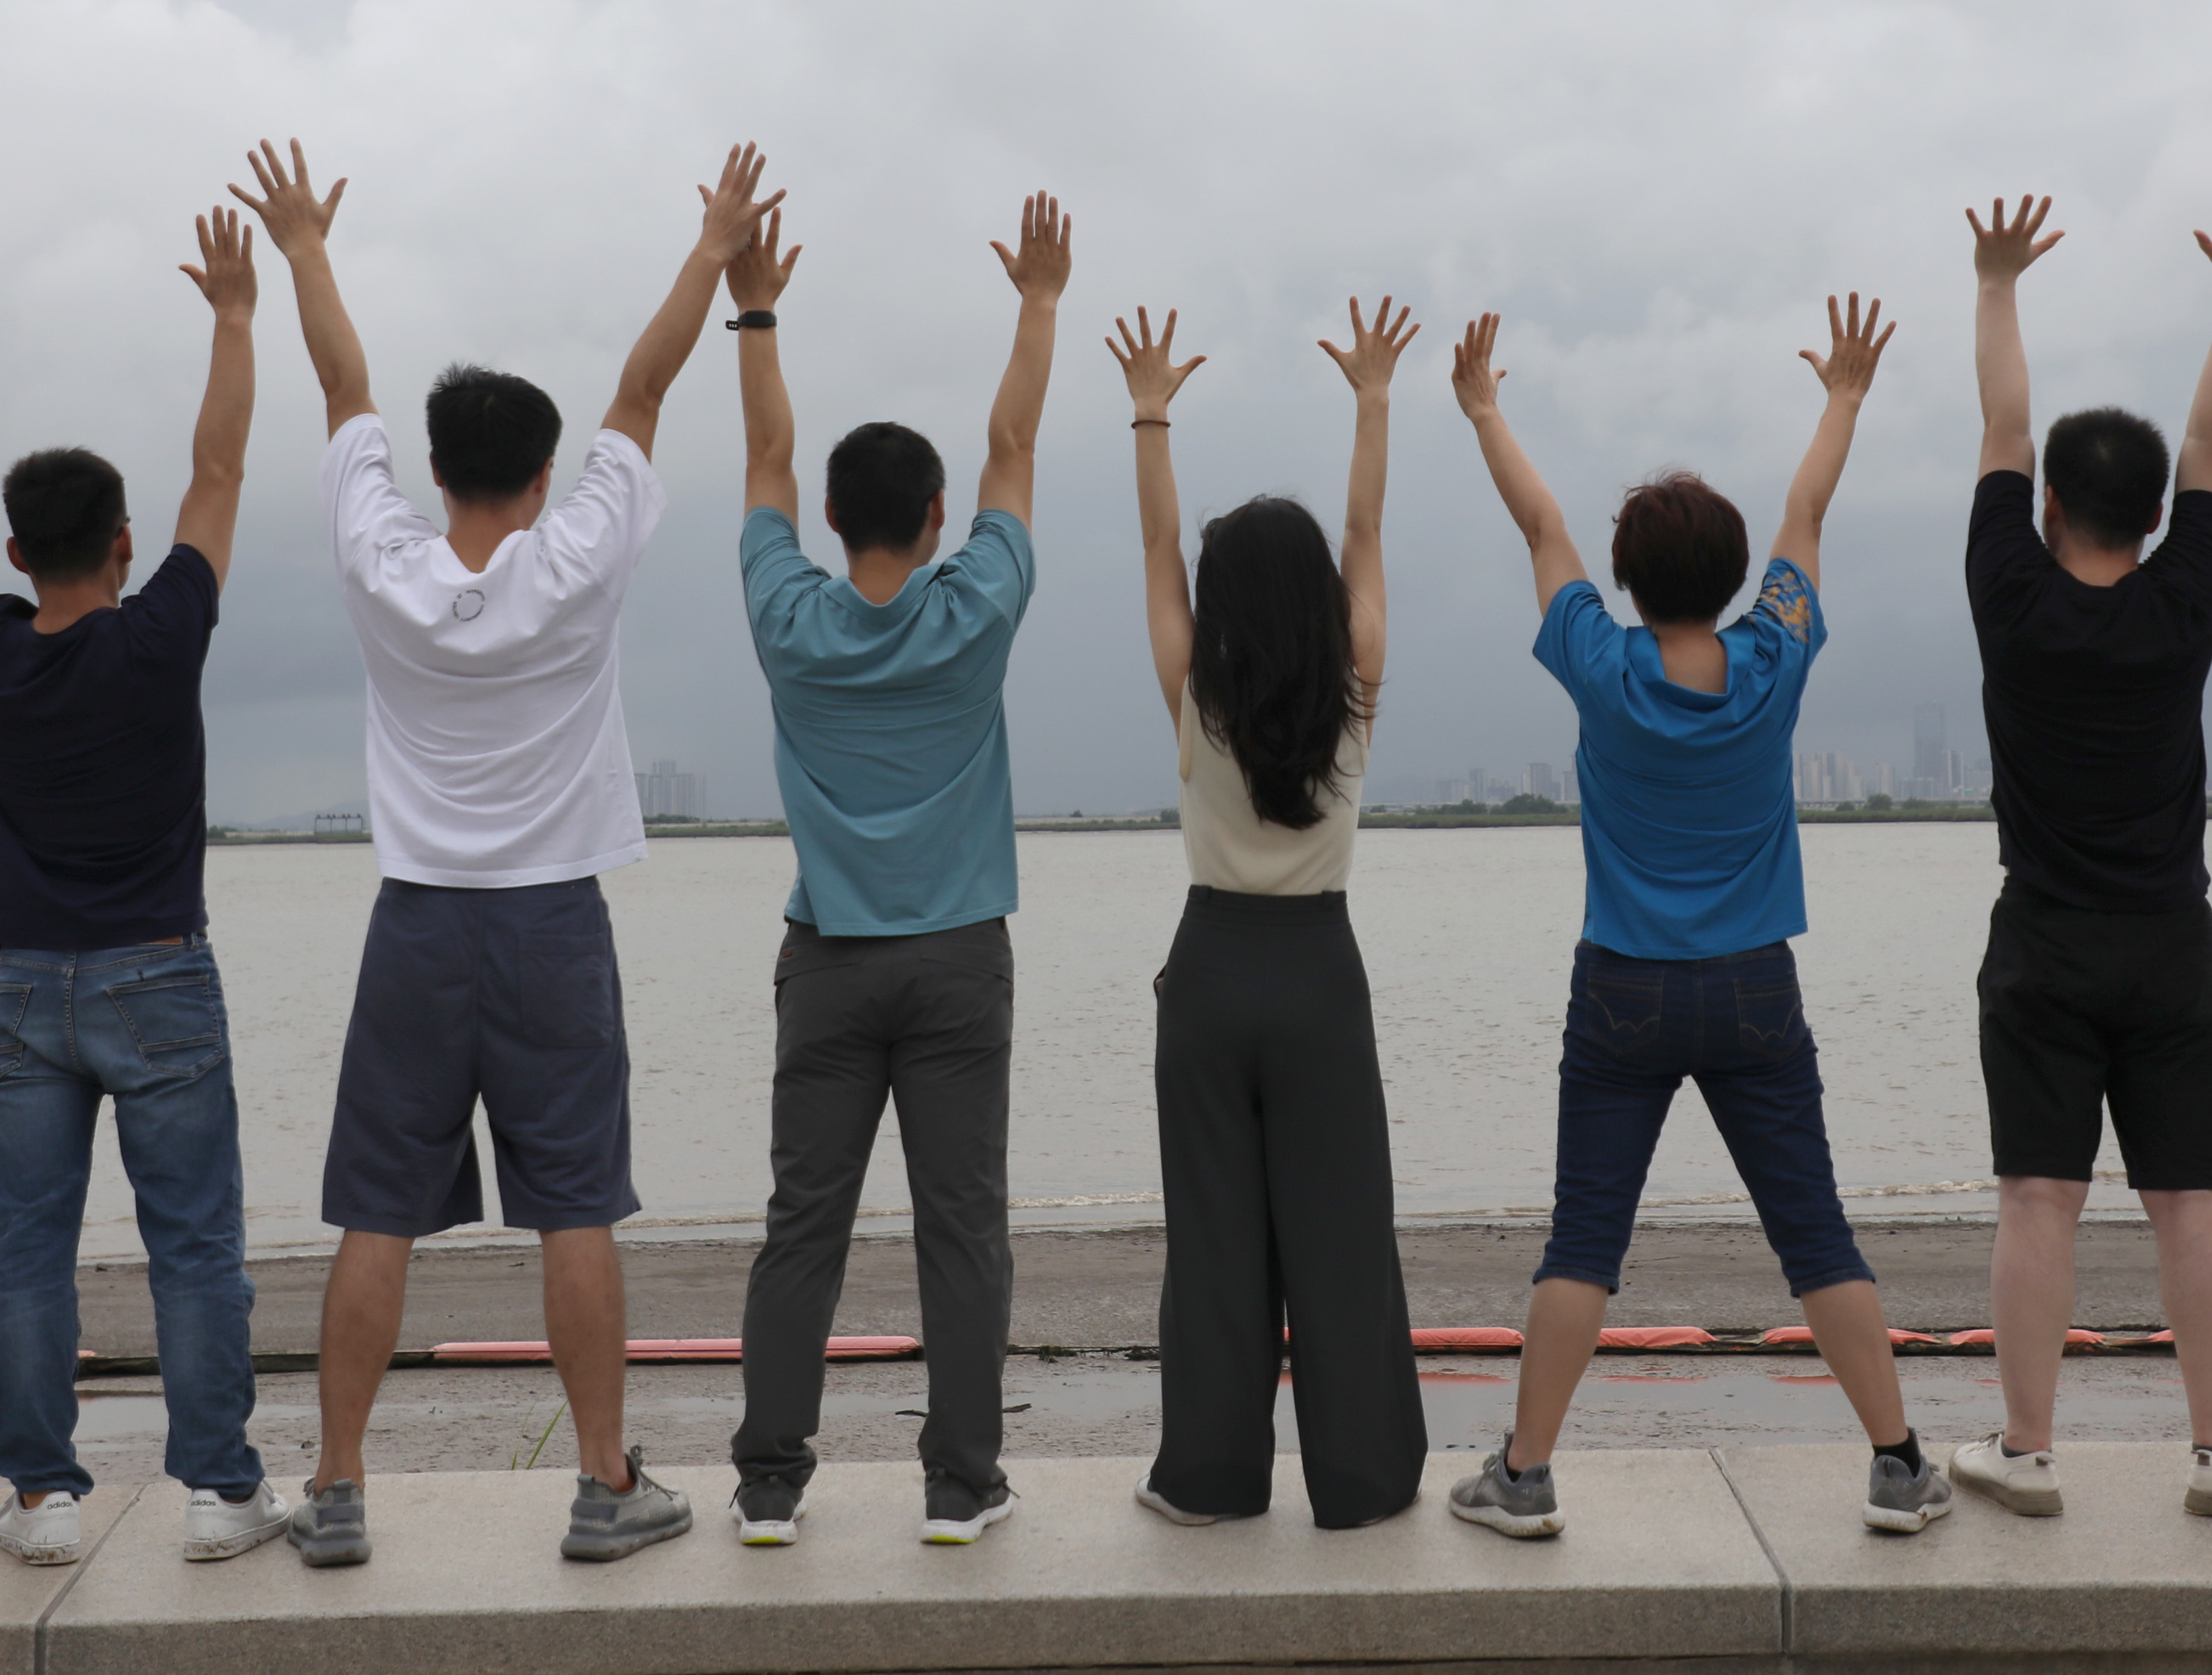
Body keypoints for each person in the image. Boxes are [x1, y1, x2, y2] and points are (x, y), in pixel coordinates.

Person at [232, 136, 780, 1573]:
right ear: (540, 477)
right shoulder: (578, 552)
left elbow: (344, 387)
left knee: (376, 1209)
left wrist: (304, 247)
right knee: (576, 1199)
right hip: (548, 923)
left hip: (416, 922)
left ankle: (338, 1485)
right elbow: (645, 390)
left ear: (437, 471)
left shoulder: (381, 557)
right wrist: (718, 249)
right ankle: (604, 1483)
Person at [1444, 297, 1944, 1541]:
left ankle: (1523, 1477)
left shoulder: (1601, 669)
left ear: (1627, 580)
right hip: (1755, 990)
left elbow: (1541, 521)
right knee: (1815, 1232)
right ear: (1732, 581)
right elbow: (1809, 515)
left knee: (1585, 1240)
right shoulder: (1773, 661)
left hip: (1620, 987)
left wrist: (1483, 409)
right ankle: (1896, 1465)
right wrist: (1844, 395)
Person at [0, 215, 290, 1568]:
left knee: (31, 1253)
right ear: (122, 540)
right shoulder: (163, 633)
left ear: (17, 548)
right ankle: (222, 1489)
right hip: (161, 969)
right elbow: (219, 463)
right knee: (192, 1248)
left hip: (25, 984)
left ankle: (44, 1496)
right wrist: (235, 313)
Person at [1952, 194, 2212, 1523]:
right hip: (2170, 937)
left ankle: (2028, 1450)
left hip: (2043, 935)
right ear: (2156, 516)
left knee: (2038, 1197)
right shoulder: (2183, 595)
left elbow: (1999, 424)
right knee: (2192, 1202)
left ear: (2047, 504)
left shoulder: (2012, 592)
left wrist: (1996, 282)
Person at [722, 190, 1069, 1549]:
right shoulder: (975, 611)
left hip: (827, 964)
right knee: (962, 1226)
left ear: (827, 517)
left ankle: (767, 1484)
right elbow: (1016, 440)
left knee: (800, 1223)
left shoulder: (787, 617)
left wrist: (755, 309)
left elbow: (762, 444)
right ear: (936, 518)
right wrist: (1039, 300)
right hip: (958, 959)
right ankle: (957, 1479)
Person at [1109, 297, 1432, 1532]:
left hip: (1207, 971)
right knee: (1343, 1234)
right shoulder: (1354, 682)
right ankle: (1360, 1483)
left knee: (1216, 1241)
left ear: (1224, 602)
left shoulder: (1198, 694)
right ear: (1315, 600)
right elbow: (1363, 523)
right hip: (1317, 972)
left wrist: (1149, 410)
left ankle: (1209, 1480)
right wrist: (1373, 396)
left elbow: (1153, 550)